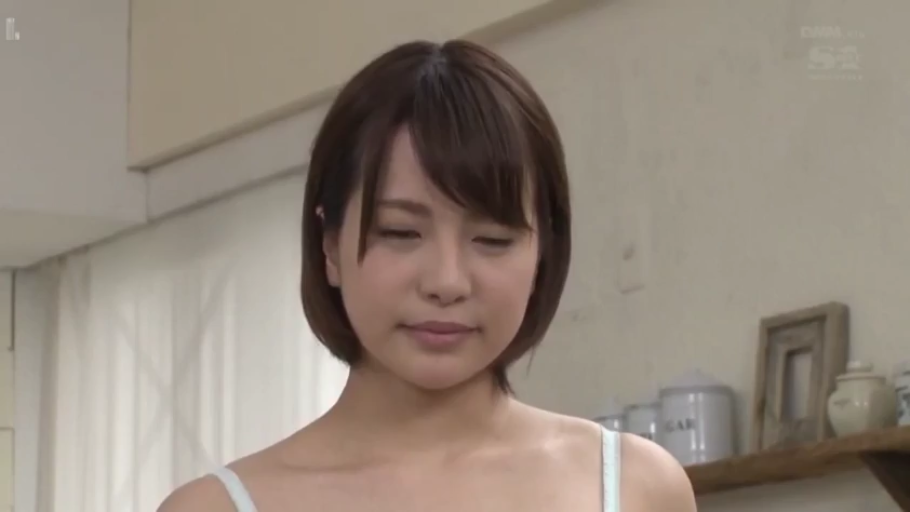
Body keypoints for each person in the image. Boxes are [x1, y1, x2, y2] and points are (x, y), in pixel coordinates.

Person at [158, 39, 696, 512]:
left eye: (492, 239)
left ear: (543, 256)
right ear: (330, 246)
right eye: (400, 232)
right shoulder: (215, 507)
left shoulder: (635, 487)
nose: (447, 281)